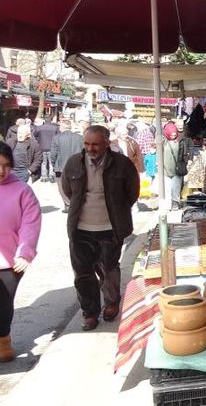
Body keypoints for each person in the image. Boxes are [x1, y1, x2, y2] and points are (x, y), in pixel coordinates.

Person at [61, 126, 139, 331]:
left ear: (107, 143)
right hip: (80, 229)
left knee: (109, 269)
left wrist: (117, 212)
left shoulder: (122, 164)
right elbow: (68, 190)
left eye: (95, 144)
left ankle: (112, 302)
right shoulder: (73, 163)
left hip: (110, 228)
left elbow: (132, 193)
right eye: (87, 144)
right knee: (83, 274)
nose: (90, 148)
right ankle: (90, 313)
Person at [0, 142, 41, 362]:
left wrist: (25, 252)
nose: (1, 171)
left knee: (3, 303)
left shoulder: (22, 190)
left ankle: (3, 340)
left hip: (10, 261)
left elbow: (30, 224)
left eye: (6, 165)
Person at [50, 120, 84, 213]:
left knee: (62, 187)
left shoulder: (57, 138)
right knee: (75, 186)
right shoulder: (79, 138)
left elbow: (53, 154)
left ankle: (68, 204)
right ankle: (74, 204)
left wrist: (53, 165)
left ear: (62, 127)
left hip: (61, 167)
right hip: (76, 166)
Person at [162, 123, 188, 210]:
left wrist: (185, 163)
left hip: (177, 169)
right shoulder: (162, 141)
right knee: (167, 188)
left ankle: (175, 203)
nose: (173, 136)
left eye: (174, 134)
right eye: (171, 134)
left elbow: (184, 154)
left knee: (175, 188)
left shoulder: (180, 141)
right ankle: (167, 204)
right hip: (165, 169)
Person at [33, 117, 59, 183]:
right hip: (52, 147)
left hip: (41, 147)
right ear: (51, 121)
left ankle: (44, 177)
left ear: (44, 120)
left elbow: (34, 135)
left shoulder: (39, 128)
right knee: (51, 163)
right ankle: (51, 177)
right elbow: (58, 136)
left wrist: (39, 141)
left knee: (43, 163)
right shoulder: (55, 128)